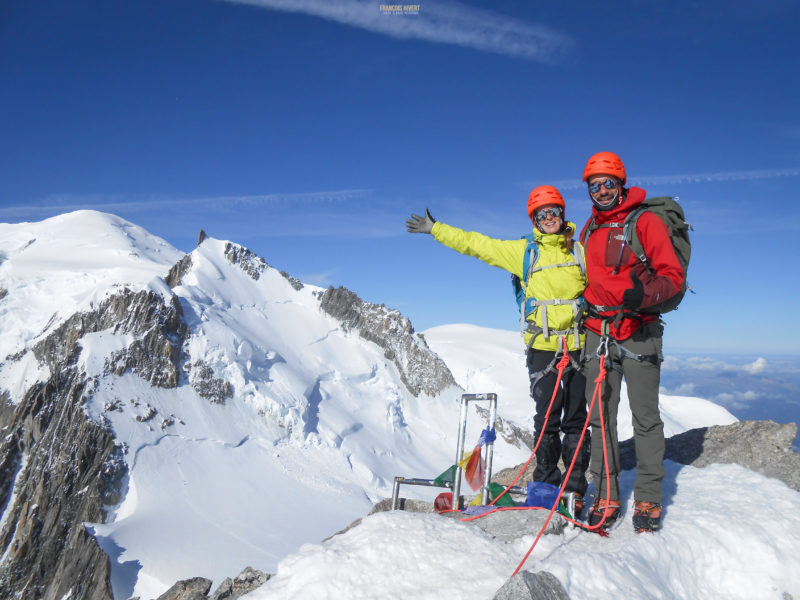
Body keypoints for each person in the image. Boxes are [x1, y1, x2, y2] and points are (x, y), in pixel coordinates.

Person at [406, 186, 590, 513]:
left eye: (554, 212)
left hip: (577, 345)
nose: (549, 218)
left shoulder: (578, 250)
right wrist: (437, 229)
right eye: (542, 214)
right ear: (534, 219)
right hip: (543, 349)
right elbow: (478, 245)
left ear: (563, 214)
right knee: (547, 420)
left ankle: (575, 491)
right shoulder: (524, 252)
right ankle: (546, 490)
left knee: (576, 419)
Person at [578, 152, 684, 533]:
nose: (603, 190)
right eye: (595, 185)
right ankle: (606, 495)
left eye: (609, 183)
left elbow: (673, 277)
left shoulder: (646, 221)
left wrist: (644, 296)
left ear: (621, 183)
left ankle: (648, 497)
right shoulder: (588, 229)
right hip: (598, 334)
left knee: (645, 419)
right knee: (599, 420)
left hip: (639, 332)